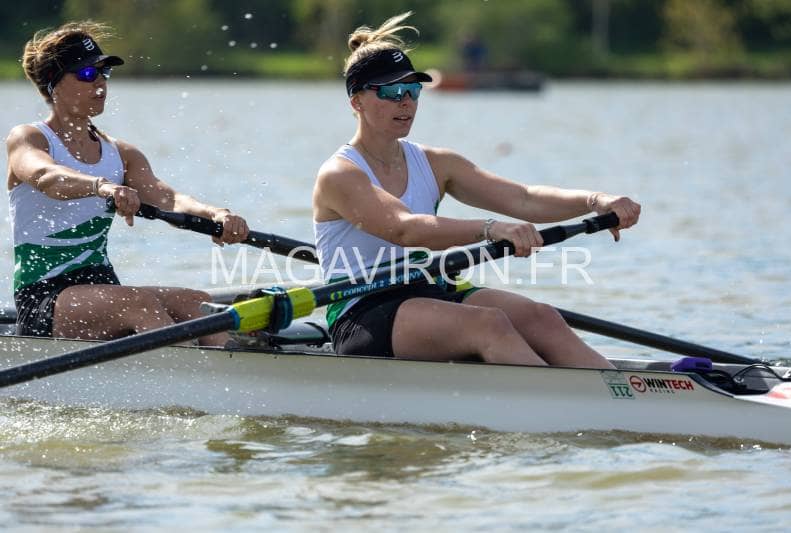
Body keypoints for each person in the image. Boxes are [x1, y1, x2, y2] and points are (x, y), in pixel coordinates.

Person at [312, 12, 641, 368]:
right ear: (356, 101)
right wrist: (490, 229)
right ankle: (550, 397)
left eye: (413, 90)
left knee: (541, 317)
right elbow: (405, 229)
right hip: (363, 310)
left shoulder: (437, 163)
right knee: (489, 324)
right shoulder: (340, 174)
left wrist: (595, 200)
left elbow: (524, 199)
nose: (405, 102)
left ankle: (617, 392)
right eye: (391, 92)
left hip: (430, 289)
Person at [6, 21, 250, 346]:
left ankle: (220, 375)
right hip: (45, 297)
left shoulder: (121, 154)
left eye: (104, 72)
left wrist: (216, 214)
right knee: (138, 303)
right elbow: (46, 178)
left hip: (103, 289)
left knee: (198, 303)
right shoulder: (30, 138)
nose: (100, 83)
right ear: (54, 85)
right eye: (87, 74)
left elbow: (168, 199)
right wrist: (102, 187)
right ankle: (182, 373)